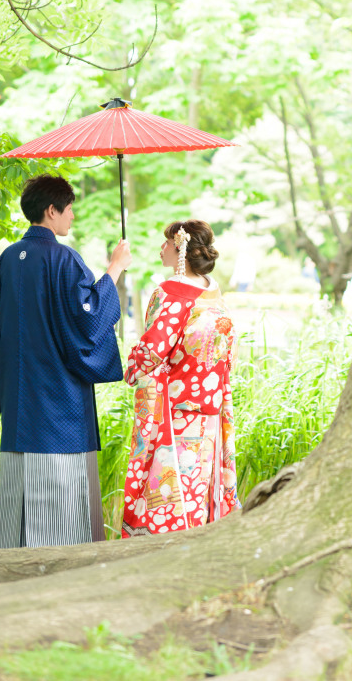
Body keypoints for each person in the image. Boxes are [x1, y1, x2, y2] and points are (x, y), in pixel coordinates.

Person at [0, 174, 131, 549]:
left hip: (19, 405)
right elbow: (90, 318)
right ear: (51, 210)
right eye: (70, 208)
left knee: (18, 512)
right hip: (59, 406)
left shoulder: (8, 260)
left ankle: (13, 566)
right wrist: (116, 268)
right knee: (63, 513)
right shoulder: (64, 259)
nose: (73, 217)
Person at [121, 219, 240, 536]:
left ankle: (165, 549)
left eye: (166, 244)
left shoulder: (171, 293)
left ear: (180, 249)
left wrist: (130, 368)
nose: (161, 249)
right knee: (199, 488)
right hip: (210, 409)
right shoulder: (214, 295)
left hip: (175, 412)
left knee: (170, 491)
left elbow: (152, 352)